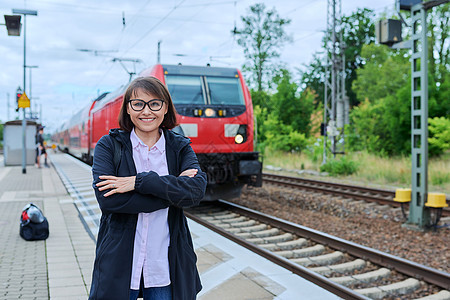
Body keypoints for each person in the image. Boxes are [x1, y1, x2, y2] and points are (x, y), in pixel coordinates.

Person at [89, 76, 207, 300]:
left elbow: (195, 191)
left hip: (165, 265)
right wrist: (173, 192)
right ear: (128, 109)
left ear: (165, 109)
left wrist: (138, 182)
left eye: (155, 103)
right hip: (119, 263)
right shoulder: (109, 145)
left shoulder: (179, 147)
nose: (146, 111)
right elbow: (109, 200)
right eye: (138, 104)